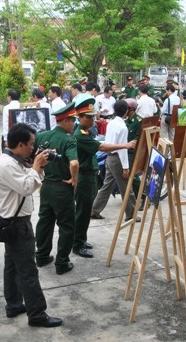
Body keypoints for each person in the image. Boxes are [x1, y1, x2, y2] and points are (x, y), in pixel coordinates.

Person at [0, 123, 63, 328]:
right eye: (31, 144)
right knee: (28, 271)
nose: (34, 148)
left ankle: (14, 304)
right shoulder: (7, 164)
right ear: (21, 144)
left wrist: (38, 167)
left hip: (13, 222)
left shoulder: (14, 160)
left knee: (12, 267)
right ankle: (37, 313)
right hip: (16, 224)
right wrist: (35, 167)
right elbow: (26, 187)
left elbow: (32, 182)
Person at [73, 98, 136, 258]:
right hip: (87, 175)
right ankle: (77, 244)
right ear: (79, 117)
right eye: (88, 117)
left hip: (101, 166)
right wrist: (126, 147)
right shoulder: (80, 135)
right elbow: (101, 146)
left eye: (93, 116)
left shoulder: (109, 124)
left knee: (99, 195)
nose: (92, 120)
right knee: (82, 212)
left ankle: (82, 238)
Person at [34, 102, 79, 275]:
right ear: (66, 121)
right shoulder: (68, 140)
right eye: (73, 121)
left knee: (45, 221)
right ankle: (62, 262)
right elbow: (74, 163)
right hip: (62, 187)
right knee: (67, 225)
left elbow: (34, 157)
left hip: (46, 186)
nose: (74, 124)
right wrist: (74, 179)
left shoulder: (42, 135)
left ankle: (42, 256)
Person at [91, 100, 140, 222]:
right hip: (118, 159)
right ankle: (131, 214)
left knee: (106, 186)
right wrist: (125, 167)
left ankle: (94, 210)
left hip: (109, 158)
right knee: (127, 188)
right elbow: (123, 148)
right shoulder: (123, 127)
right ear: (127, 111)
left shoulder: (111, 123)